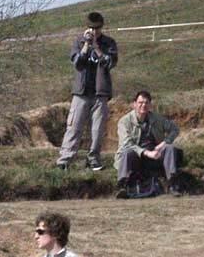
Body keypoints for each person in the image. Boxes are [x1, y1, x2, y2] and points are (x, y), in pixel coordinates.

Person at [56, 11, 118, 171]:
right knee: (74, 127)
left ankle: (94, 159)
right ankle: (65, 160)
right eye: (91, 28)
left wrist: (96, 47)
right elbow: (77, 63)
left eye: (97, 28)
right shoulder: (78, 41)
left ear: (101, 28)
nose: (94, 31)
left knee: (97, 130)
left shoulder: (109, 43)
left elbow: (109, 63)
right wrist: (86, 45)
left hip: (100, 92)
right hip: (81, 92)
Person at [114, 90, 182, 198]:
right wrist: (146, 153)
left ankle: (172, 184)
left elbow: (175, 129)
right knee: (127, 152)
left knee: (170, 148)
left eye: (146, 103)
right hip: (136, 157)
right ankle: (122, 186)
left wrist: (163, 143)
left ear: (150, 105)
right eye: (140, 102)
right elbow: (127, 143)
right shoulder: (124, 122)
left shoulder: (158, 119)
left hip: (155, 155)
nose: (143, 105)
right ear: (134, 104)